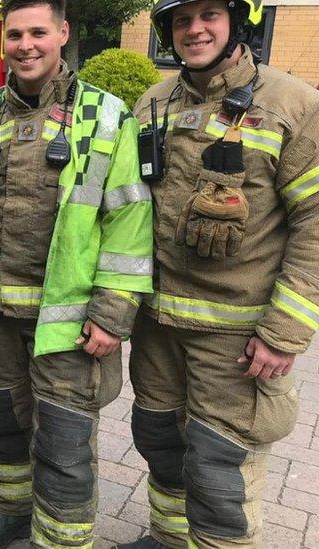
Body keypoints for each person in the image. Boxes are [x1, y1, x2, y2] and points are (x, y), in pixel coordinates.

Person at [0, 0, 154, 547]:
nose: (26, 45)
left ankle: (61, 539)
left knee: (63, 444)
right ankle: (12, 512)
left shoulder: (107, 115)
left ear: (63, 33)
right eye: (15, 34)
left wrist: (112, 313)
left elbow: (129, 220)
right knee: (1, 428)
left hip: (68, 323)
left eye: (38, 32)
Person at [120, 0, 319, 547]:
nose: (194, 30)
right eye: (181, 20)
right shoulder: (152, 102)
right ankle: (167, 537)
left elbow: (315, 224)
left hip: (235, 335)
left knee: (218, 470)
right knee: (159, 440)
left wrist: (284, 333)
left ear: (237, 21)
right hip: (157, 322)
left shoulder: (292, 105)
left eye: (208, 14)